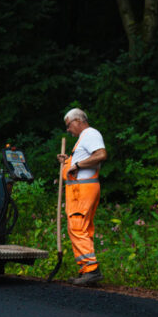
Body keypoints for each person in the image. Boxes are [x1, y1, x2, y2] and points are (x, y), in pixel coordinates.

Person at [56, 108, 107, 286]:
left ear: (78, 121)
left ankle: (91, 270)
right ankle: (86, 270)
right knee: (82, 229)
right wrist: (68, 161)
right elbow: (83, 161)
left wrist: (76, 164)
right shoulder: (83, 138)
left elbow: (100, 155)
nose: (68, 130)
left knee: (77, 227)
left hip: (83, 190)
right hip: (80, 190)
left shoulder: (90, 134)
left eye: (68, 125)